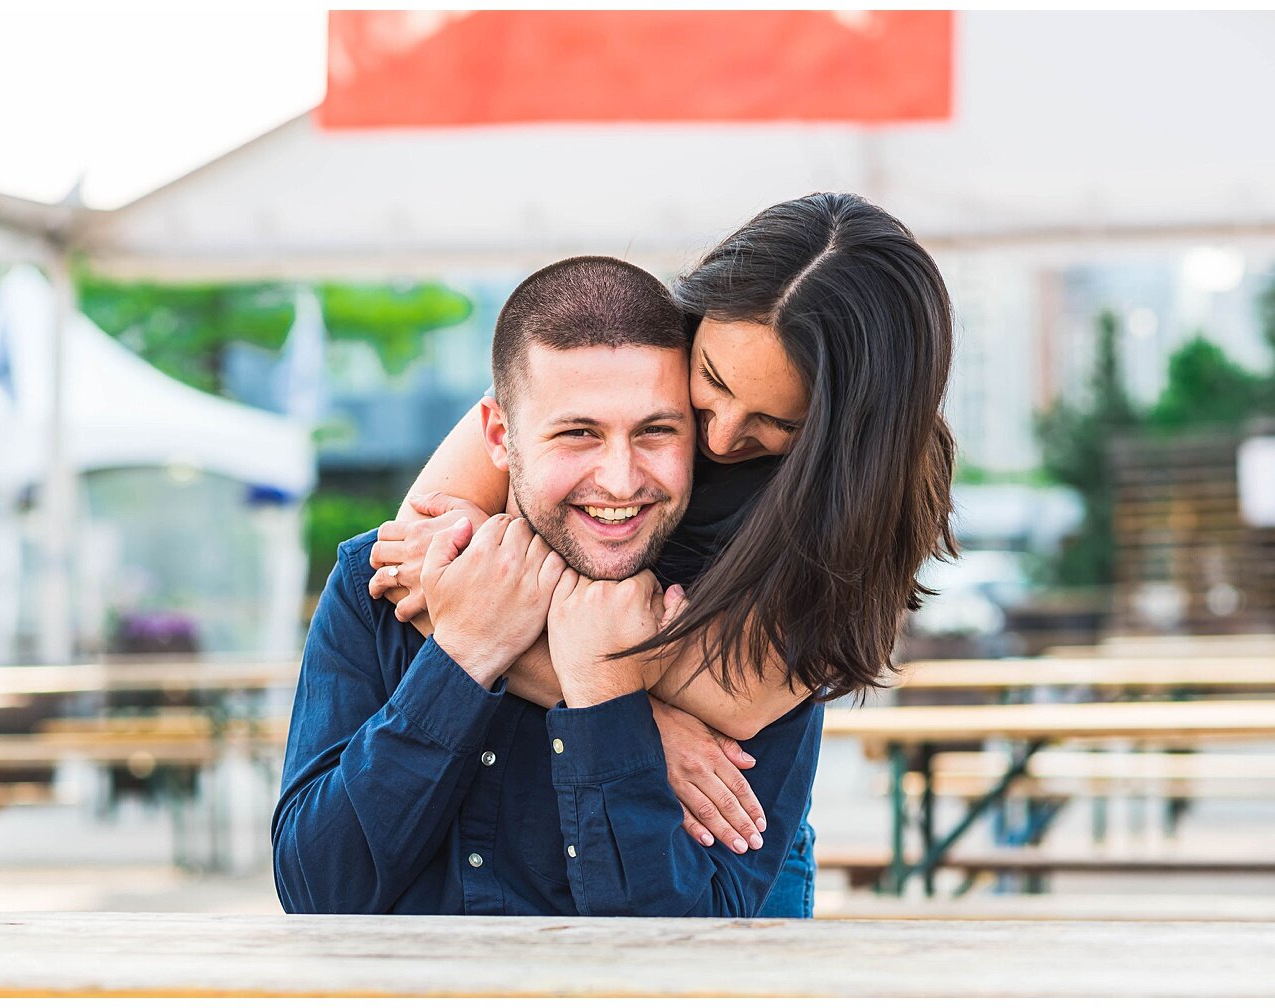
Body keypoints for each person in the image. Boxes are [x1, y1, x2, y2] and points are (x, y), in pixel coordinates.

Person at [368, 193, 958, 917]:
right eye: (710, 382)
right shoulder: (618, 353)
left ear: (849, 432)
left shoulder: (875, 501)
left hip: (726, 835)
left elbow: (734, 699)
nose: (721, 437)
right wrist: (651, 726)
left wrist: (582, 685)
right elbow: (419, 557)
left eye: (778, 422)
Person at [273, 256, 822, 916]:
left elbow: (688, 949)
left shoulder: (751, 620)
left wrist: (606, 698)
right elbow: (316, 894)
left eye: (656, 432)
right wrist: (464, 656)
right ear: (501, 436)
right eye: (578, 434)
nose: (620, 480)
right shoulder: (382, 581)